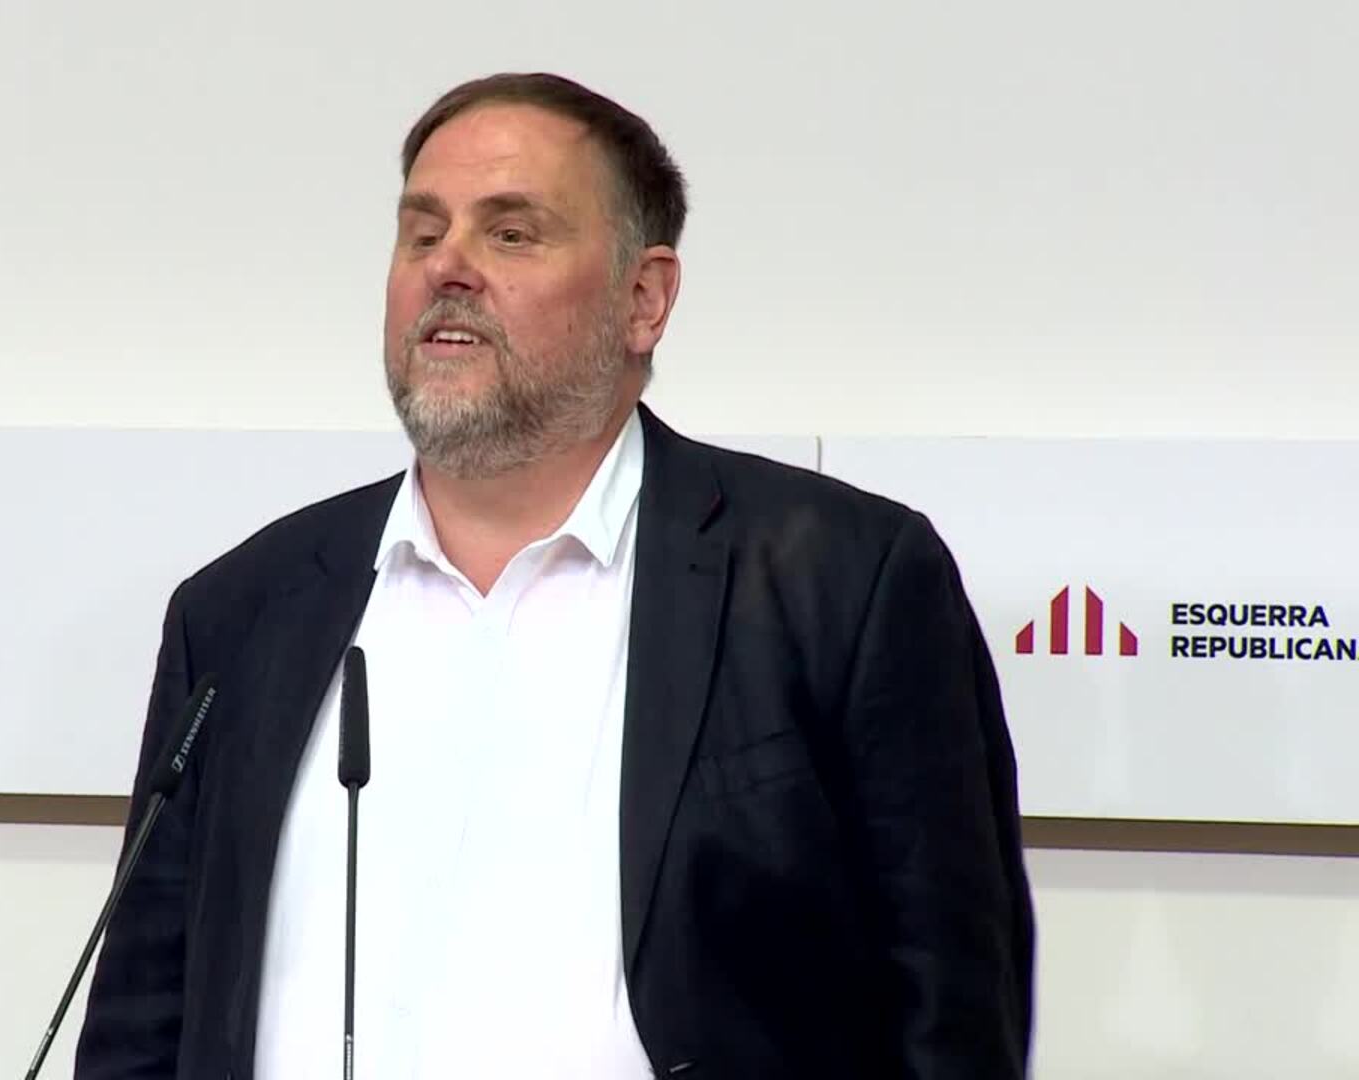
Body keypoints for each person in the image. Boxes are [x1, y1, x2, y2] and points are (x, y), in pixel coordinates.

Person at [75, 72, 1034, 1079]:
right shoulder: (242, 612)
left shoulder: (842, 581)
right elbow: (144, 1021)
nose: (448, 267)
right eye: (422, 232)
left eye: (510, 233)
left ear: (643, 299)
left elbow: (954, 1018)